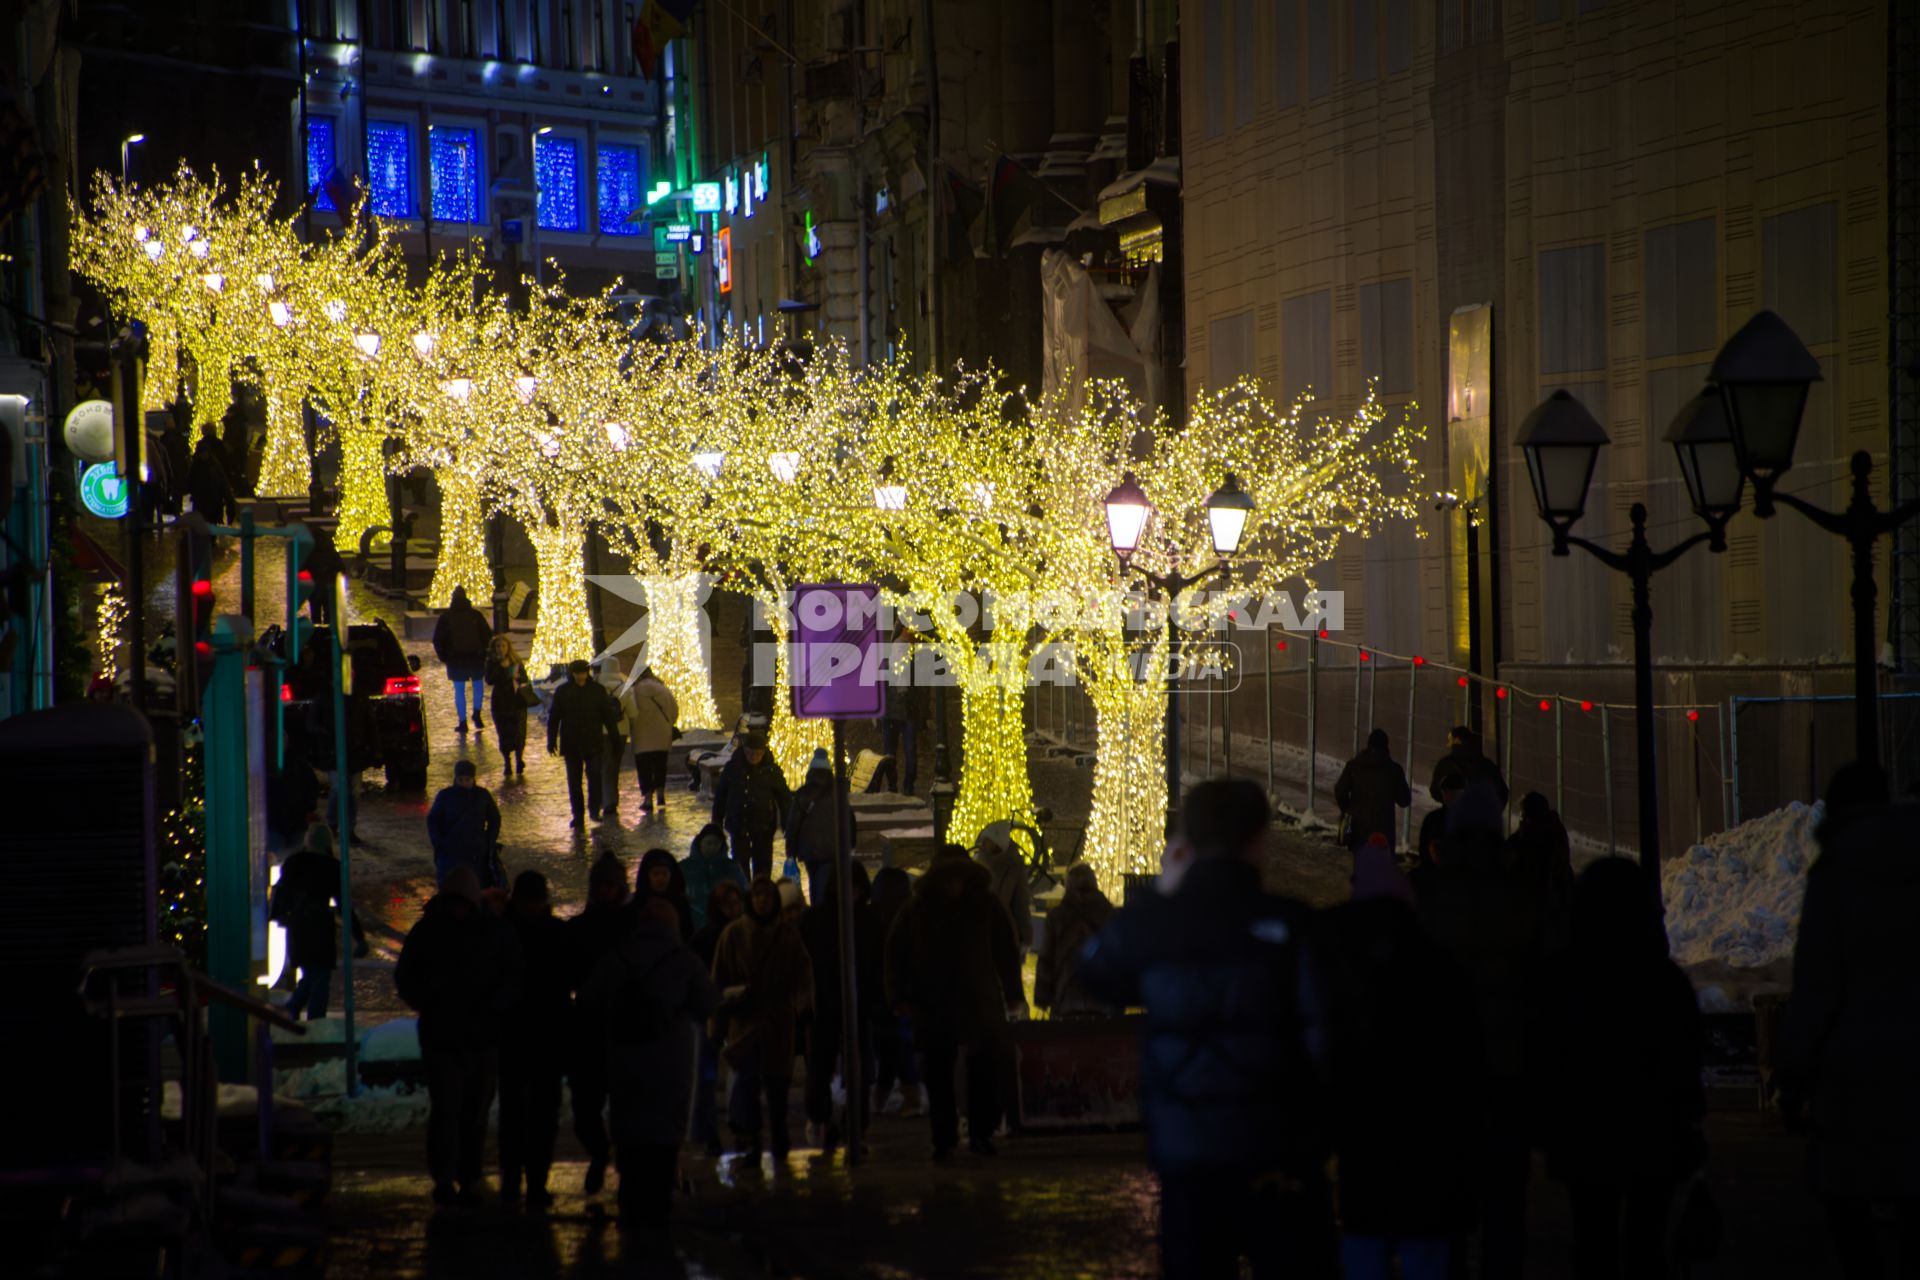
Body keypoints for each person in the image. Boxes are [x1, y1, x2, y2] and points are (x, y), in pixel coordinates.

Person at [1078, 780, 1337, 1279]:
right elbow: (1324, 1038)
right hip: (1278, 1152)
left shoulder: (1157, 924)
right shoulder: (1292, 924)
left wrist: (1160, 893)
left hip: (1188, 1155)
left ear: (1186, 844)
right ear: (1259, 840)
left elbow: (1095, 973)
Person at [1777, 765, 1920, 1280]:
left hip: (1854, 1070)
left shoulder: (1837, 875)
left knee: (1849, 1202)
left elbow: (1817, 985)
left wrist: (1792, 1076)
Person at [1537, 857, 1706, 1280]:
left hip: (1585, 1132)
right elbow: (1686, 1056)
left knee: (1593, 1239)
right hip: (1654, 1131)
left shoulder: (1564, 977)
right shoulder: (1663, 981)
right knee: (1647, 1243)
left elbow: (1547, 1052)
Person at [1319, 841, 1479, 1280]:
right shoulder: (1436, 962)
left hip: (1362, 1139)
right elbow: (1463, 1056)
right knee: (1425, 1249)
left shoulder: (1335, 957)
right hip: (1426, 1138)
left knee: (1364, 1244)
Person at [1412, 779, 1546, 1280]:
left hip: (1440, 1076)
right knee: (1504, 1207)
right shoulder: (1521, 896)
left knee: (1445, 1206)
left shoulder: (1425, 892)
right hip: (1506, 1075)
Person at [581, 894, 718, 1232]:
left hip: (625, 1057)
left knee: (629, 1128)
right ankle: (659, 1204)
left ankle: (630, 1198)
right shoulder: (685, 961)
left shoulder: (618, 958)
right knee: (664, 1135)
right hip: (671, 1062)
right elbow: (706, 1005)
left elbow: (589, 1000)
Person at [394, 867, 524, 1206]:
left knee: (466, 1110)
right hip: (455, 1035)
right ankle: (454, 1176)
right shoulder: (489, 932)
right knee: (454, 1110)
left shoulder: (432, 931)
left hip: (464, 1033)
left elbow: (512, 977)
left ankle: (461, 1175)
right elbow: (407, 977)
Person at [886, 844, 1023, 1160]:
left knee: (982, 1070)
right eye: (948, 879)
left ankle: (980, 1133)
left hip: (976, 1000)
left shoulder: (985, 906)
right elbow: (896, 954)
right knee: (938, 1073)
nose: (954, 885)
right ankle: (944, 1138)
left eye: (959, 878)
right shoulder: (917, 909)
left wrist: (1013, 994)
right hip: (934, 1002)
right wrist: (900, 997)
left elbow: (1005, 951)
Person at [711, 875, 813, 1159]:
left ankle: (778, 1143)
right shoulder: (733, 935)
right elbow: (718, 980)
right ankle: (753, 1142)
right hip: (745, 1022)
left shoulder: (787, 936)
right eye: (757, 895)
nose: (762, 901)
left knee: (777, 1088)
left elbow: (803, 974)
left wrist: (805, 1007)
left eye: (767, 896)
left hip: (778, 1022)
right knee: (747, 1087)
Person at [798, 861, 884, 1151]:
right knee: (822, 1068)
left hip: (857, 1005)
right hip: (824, 1004)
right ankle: (825, 1121)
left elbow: (878, 965)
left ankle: (854, 1129)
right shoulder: (816, 920)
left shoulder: (869, 921)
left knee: (857, 1071)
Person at [563, 852, 634, 1196]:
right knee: (587, 1106)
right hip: (596, 1028)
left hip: (616, 1027)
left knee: (617, 1104)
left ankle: (614, 1160)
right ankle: (603, 1153)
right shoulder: (626, 928)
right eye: (602, 887)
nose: (607, 893)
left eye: (612, 887)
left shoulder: (633, 928)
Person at [498, 871, 570, 1210]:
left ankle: (522, 1180)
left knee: (525, 1113)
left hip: (528, 1035)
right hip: (537, 1034)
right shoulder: (553, 932)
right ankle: (528, 1181)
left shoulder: (503, 930)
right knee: (532, 1114)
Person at [268, 824, 365, 1020]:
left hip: (297, 926)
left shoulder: (294, 862)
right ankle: (311, 1020)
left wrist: (281, 917)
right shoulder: (332, 866)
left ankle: (293, 1010)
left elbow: (281, 893)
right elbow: (343, 905)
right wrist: (359, 937)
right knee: (320, 977)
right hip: (320, 925)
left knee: (310, 975)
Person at [688, 879, 746, 1155]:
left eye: (736, 904)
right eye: (727, 904)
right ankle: (709, 1131)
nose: (732, 909)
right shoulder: (707, 937)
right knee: (708, 1074)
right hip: (713, 1011)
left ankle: (736, 1125)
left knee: (735, 1071)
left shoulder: (744, 934)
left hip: (733, 1009)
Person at [868, 866, 922, 1117]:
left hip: (880, 995)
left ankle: (887, 1096)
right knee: (899, 1046)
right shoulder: (910, 917)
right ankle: (903, 1096)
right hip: (903, 994)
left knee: (889, 1047)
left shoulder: (873, 917)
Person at [1033, 863, 1115, 1018]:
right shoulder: (1108, 915)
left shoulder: (1057, 917)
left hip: (1066, 1001)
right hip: (1101, 1001)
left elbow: (1046, 960)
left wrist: (1042, 997)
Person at [548, 658, 619, 828]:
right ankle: (578, 814)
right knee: (574, 781)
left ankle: (594, 809)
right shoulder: (563, 691)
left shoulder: (597, 691)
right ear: (572, 674)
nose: (580, 676)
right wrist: (551, 740)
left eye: (583, 673)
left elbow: (607, 717)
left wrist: (615, 738)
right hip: (572, 743)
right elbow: (554, 718)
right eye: (577, 673)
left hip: (592, 741)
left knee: (594, 777)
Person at [712, 731, 792, 878]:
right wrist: (716, 822)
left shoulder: (771, 771)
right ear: (744, 751)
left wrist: (788, 824)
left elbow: (784, 798)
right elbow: (721, 796)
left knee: (762, 866)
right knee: (740, 866)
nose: (754, 757)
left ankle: (760, 893)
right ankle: (744, 894)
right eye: (750, 753)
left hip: (763, 825)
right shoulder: (733, 768)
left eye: (758, 753)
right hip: (738, 823)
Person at [786, 748, 856, 900]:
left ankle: (816, 910)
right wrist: (850, 845)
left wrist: (790, 850)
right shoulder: (837, 795)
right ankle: (822, 911)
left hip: (808, 849)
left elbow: (793, 825)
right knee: (825, 883)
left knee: (814, 881)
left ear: (810, 772)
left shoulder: (802, 794)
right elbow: (849, 820)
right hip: (831, 849)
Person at [1509, 791, 1575, 947]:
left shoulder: (1534, 836)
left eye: (1524, 816)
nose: (1522, 819)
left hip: (1542, 907)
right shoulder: (1553, 829)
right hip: (1559, 905)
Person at [426, 760, 503, 888]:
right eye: (461, 779)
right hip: (450, 853)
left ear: (473, 778)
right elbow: (433, 820)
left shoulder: (482, 795)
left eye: (467, 780)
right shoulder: (445, 796)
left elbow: (494, 818)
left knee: (477, 887)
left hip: (477, 853)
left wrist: (489, 841)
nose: (464, 783)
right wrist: (439, 843)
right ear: (455, 778)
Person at [1334, 728, 1413, 852]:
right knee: (1382, 867)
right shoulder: (1393, 770)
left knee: (1361, 865)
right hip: (1384, 833)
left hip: (1358, 830)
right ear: (1386, 747)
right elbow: (1405, 800)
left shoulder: (1354, 766)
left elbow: (1340, 791)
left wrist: (1349, 808)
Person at [432, 586, 494, 736]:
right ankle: (477, 714)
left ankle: (462, 721)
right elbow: (487, 635)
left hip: (456, 659)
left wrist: (445, 657)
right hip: (475, 657)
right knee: (478, 686)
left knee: (459, 690)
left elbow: (437, 639)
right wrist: (484, 653)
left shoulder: (446, 617)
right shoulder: (475, 615)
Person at [972, 821, 1034, 958]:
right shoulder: (977, 864)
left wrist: (1025, 937)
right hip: (979, 931)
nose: (983, 844)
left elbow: (1021, 903)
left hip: (1004, 930)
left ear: (996, 843)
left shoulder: (1014, 866)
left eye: (987, 840)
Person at [626, 664, 680, 815]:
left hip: (641, 734)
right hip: (662, 734)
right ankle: (661, 795)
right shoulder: (662, 688)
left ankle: (648, 799)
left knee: (644, 767)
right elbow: (675, 710)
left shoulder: (634, 691)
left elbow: (630, 712)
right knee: (660, 764)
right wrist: (669, 723)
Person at [683, 822, 748, 933]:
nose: (712, 847)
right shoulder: (685, 868)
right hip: (692, 925)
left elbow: (744, 893)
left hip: (725, 926)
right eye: (708, 843)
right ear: (700, 843)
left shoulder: (732, 867)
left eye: (716, 844)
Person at [1427, 724, 1509, 807]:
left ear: (1457, 740)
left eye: (1450, 740)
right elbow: (1502, 793)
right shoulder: (1487, 765)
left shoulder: (1445, 764)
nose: (1447, 744)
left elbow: (1435, 791)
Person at [485, 635, 532, 776]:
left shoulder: (515, 661)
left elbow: (525, 678)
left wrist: (517, 676)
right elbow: (490, 680)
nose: (501, 649)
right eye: (498, 646)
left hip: (517, 701)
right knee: (504, 733)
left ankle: (519, 759)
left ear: (508, 647)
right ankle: (507, 761)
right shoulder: (491, 663)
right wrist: (501, 668)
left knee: (519, 732)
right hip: (500, 702)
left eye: (504, 646)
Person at [595, 658, 633, 815]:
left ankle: (605, 800)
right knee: (614, 767)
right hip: (620, 733)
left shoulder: (596, 687)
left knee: (603, 766)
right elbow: (634, 712)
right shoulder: (625, 687)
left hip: (600, 731)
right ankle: (611, 799)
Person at [634, 847, 694, 943]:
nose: (660, 878)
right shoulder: (638, 902)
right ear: (647, 876)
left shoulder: (681, 902)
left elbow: (687, 933)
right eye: (656, 874)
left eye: (664, 873)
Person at [187, 435, 235, 526]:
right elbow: (189, 481)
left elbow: (223, 483)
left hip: (212, 503)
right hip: (203, 503)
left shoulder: (213, 464)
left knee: (209, 528)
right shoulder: (198, 465)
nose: (204, 455)